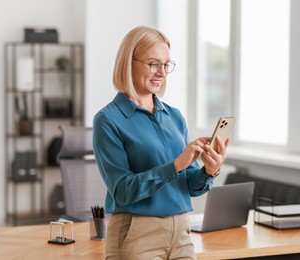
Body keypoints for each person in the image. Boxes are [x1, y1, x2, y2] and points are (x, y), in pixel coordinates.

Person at [92, 25, 229, 260]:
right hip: (137, 234)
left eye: (166, 65)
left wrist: (209, 170)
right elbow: (122, 191)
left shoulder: (174, 117)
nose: (162, 72)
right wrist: (176, 165)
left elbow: (189, 186)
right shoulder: (108, 120)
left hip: (181, 233)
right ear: (128, 62)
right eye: (154, 64)